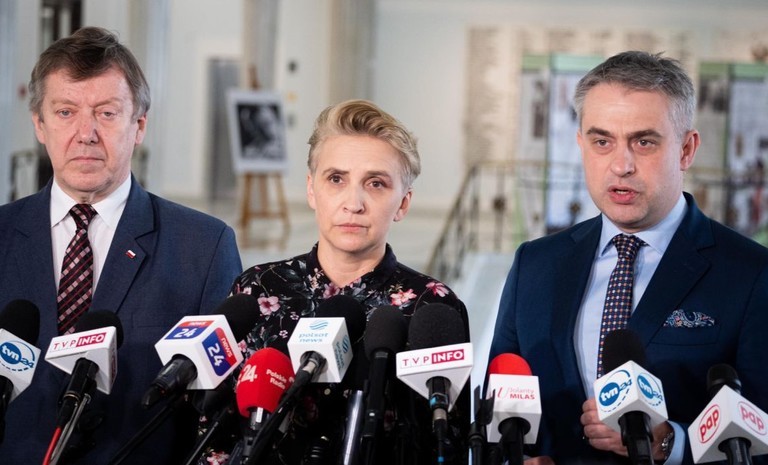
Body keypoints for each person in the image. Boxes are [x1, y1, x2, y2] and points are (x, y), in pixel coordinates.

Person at [488, 51, 768, 465]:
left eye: (644, 142)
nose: (621, 165)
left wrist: (670, 443)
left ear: (686, 149)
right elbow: (497, 412)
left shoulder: (752, 274)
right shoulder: (535, 264)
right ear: (581, 145)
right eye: (602, 142)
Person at [0, 27, 242, 464]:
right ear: (39, 124)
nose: (86, 133)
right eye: (66, 112)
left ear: (139, 125)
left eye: (107, 113)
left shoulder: (204, 248)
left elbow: (217, 414)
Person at [200, 99, 470, 465]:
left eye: (376, 183)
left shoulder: (432, 306)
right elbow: (214, 430)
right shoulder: (259, 288)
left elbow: (447, 445)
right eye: (336, 179)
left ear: (403, 203)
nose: (353, 203)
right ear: (312, 190)